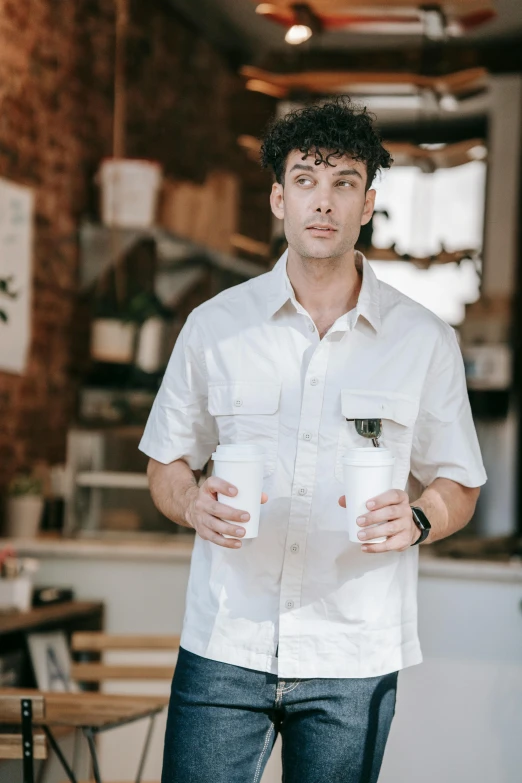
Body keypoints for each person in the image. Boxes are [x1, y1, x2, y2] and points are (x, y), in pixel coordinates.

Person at [140, 98, 486, 783]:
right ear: (278, 197)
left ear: (368, 204)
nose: (322, 201)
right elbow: (165, 461)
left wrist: (420, 518)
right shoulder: (216, 326)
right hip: (225, 644)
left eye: (343, 182)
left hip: (353, 654)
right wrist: (190, 503)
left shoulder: (423, 341)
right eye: (305, 179)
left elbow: (460, 481)